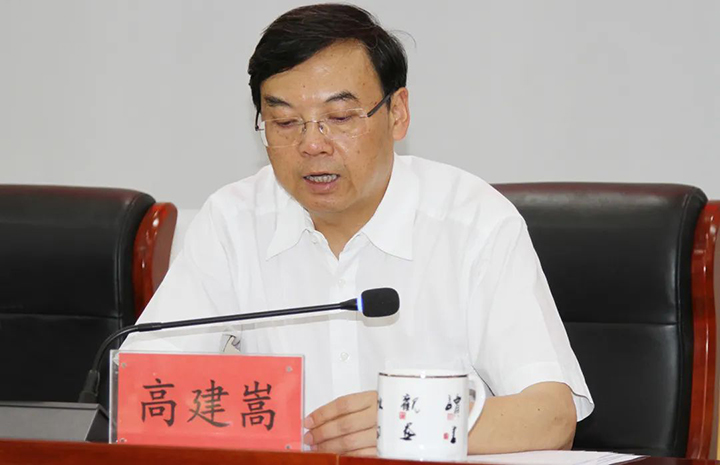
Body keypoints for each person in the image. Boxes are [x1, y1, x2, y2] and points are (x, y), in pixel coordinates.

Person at [123, 3, 593, 456]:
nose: (311, 144)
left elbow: (551, 417)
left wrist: (413, 419)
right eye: (284, 122)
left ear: (397, 113)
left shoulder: (473, 223)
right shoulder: (233, 221)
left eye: (340, 118)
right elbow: (141, 386)